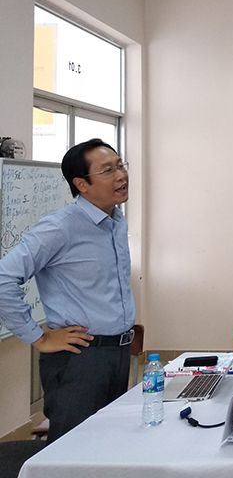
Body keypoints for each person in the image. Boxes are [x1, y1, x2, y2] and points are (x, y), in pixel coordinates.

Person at [0, 139, 135, 442]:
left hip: (118, 352)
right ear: (81, 184)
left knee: (109, 444)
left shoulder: (116, 221)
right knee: (73, 448)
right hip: (80, 358)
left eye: (121, 165)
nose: (121, 175)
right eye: (108, 170)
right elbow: (3, 278)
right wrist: (38, 337)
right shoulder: (59, 227)